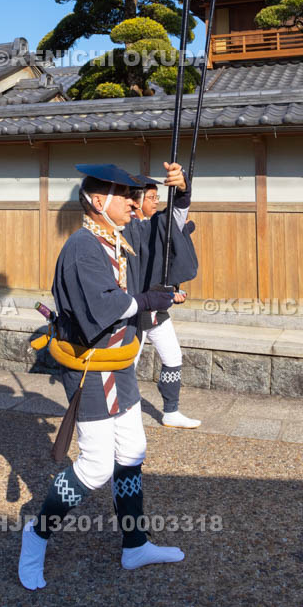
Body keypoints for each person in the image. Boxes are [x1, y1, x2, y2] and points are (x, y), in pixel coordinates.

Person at [18, 161, 198, 591]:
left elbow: (164, 233)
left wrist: (181, 194)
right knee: (97, 466)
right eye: (126, 197)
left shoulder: (118, 238)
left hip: (119, 364)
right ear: (99, 201)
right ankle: (36, 535)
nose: (135, 205)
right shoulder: (83, 247)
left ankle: (135, 544)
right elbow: (106, 307)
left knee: (132, 449)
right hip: (91, 369)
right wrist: (147, 299)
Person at [132, 177, 201, 429]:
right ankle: (121, 411)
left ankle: (171, 410)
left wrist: (173, 290)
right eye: (150, 198)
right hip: (134, 308)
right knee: (128, 364)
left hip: (158, 307)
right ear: (135, 201)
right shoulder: (126, 229)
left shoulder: (160, 224)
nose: (156, 201)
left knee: (173, 357)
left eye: (157, 197)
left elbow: (179, 208)